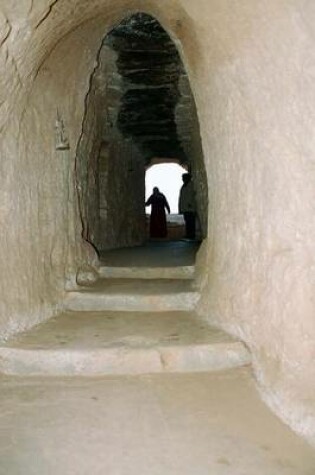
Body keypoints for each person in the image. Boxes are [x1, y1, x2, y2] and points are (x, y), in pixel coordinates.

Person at [178, 173, 196, 239]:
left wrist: (189, 203)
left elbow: (191, 195)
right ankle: (189, 234)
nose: (182, 179)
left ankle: (191, 235)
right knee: (188, 221)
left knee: (191, 222)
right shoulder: (184, 185)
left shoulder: (191, 185)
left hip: (190, 207)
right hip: (186, 207)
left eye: (183, 178)